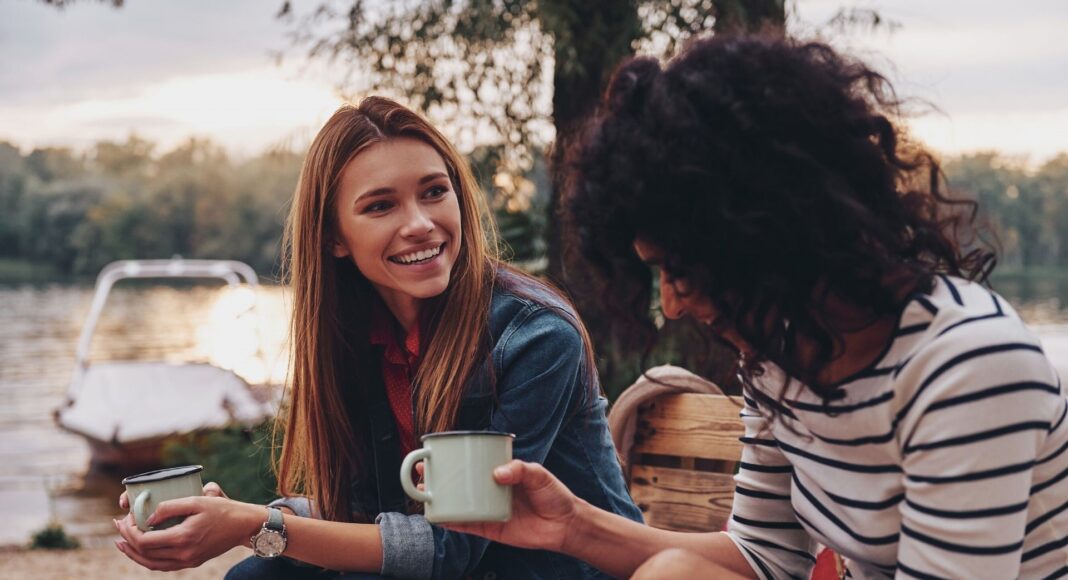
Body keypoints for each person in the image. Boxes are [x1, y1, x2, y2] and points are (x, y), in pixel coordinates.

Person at [445, 34, 1068, 579]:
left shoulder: (969, 367)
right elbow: (765, 557)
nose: (671, 304)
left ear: (770, 231)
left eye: (681, 271)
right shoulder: (782, 357)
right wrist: (572, 527)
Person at [111, 97, 642, 579]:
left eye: (435, 192)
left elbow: (451, 548)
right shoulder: (359, 335)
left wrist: (251, 525)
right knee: (258, 579)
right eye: (381, 205)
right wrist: (229, 515)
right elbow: (363, 513)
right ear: (333, 237)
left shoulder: (535, 336)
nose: (420, 224)